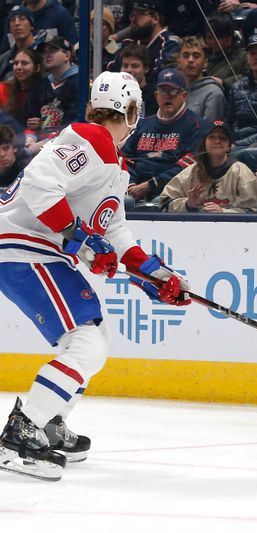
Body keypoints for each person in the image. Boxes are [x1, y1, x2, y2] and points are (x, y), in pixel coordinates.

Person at [0, 71, 191, 481]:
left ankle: (48, 419)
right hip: (21, 246)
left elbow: (113, 229)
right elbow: (38, 183)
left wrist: (154, 273)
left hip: (37, 250)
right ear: (135, 111)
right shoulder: (91, 138)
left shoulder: (113, 161)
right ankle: (20, 432)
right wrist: (78, 238)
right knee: (85, 341)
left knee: (95, 338)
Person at [122, 68, 205, 207]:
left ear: (183, 95)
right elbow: (125, 158)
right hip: (135, 190)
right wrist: (131, 184)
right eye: (163, 91)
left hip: (172, 191)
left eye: (173, 91)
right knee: (125, 201)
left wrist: (151, 185)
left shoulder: (196, 125)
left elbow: (188, 166)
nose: (167, 96)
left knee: (159, 202)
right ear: (156, 95)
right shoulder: (143, 124)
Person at [160, 119, 257, 213]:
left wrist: (223, 212)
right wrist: (188, 204)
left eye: (222, 138)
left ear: (229, 146)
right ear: (204, 142)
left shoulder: (241, 172)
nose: (217, 141)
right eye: (212, 137)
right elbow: (164, 203)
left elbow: (253, 210)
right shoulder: (191, 172)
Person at [23, 36, 79, 146]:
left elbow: (74, 124)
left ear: (67, 55)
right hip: (41, 141)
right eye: (45, 52)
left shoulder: (80, 82)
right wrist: (30, 139)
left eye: (53, 51)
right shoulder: (40, 85)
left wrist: (43, 144)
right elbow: (28, 118)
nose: (47, 55)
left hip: (68, 144)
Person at [107, 0, 181, 79]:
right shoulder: (128, 43)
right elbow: (111, 70)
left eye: (139, 15)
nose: (133, 20)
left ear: (155, 18)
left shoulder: (170, 43)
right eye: (132, 16)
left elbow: (162, 76)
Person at [177, 36, 226, 122]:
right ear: (179, 61)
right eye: (186, 56)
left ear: (205, 63)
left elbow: (209, 131)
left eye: (196, 56)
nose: (190, 60)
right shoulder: (174, 91)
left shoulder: (213, 93)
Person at [203, 12, 247, 91]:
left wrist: (224, 82)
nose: (213, 42)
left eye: (218, 37)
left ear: (230, 36)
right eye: (209, 38)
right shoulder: (200, 51)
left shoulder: (243, 55)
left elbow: (249, 77)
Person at [0, 5, 44, 81]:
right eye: (13, 20)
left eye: (22, 19)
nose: (17, 23)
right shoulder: (4, 59)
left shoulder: (44, 53)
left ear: (31, 25)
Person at [0, 47, 43, 123]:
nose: (18, 67)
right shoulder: (3, 88)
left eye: (24, 63)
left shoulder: (46, 91)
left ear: (37, 68)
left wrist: (42, 122)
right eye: (16, 63)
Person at [119, 44, 156, 118]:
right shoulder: (114, 93)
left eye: (135, 66)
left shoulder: (155, 96)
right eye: (125, 65)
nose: (128, 70)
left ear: (146, 69)